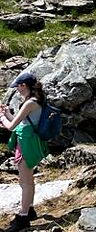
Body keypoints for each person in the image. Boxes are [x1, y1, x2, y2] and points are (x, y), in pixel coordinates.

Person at [1, 72, 46, 231]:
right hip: (28, 141)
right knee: (27, 180)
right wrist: (6, 113)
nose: (17, 90)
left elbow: (11, 126)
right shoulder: (33, 101)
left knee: (25, 182)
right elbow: (19, 121)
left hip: (27, 144)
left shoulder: (30, 103)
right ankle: (30, 209)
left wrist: (2, 118)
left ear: (24, 85)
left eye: (18, 87)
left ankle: (23, 216)